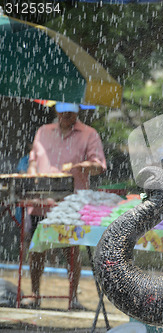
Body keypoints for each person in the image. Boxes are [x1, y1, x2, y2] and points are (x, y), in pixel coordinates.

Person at [22, 102, 106, 310]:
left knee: (72, 251)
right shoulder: (43, 132)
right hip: (41, 202)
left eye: (70, 111)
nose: (66, 114)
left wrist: (83, 166)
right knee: (36, 249)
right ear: (55, 110)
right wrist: (32, 177)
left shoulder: (89, 134)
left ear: (78, 111)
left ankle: (72, 297)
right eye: (62, 110)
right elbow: (33, 160)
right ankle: (34, 294)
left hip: (72, 204)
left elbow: (99, 166)